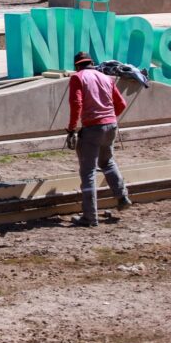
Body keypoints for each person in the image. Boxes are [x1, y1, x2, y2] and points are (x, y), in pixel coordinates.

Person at [66, 51, 132, 227]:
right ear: (91, 63)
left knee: (88, 171)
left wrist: (72, 129)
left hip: (92, 128)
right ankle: (122, 197)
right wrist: (109, 119)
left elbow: (76, 104)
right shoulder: (106, 78)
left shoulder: (77, 78)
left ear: (76, 65)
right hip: (111, 125)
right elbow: (122, 104)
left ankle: (90, 216)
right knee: (108, 162)